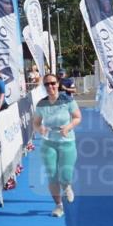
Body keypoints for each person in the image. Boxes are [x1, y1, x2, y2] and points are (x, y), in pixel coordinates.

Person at [33, 73, 82, 218]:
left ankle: (66, 186)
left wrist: (68, 127)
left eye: (53, 83)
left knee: (65, 175)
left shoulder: (67, 100)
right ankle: (58, 206)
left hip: (67, 143)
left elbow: (78, 117)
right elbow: (36, 122)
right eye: (47, 84)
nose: (50, 86)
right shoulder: (41, 104)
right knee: (52, 175)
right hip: (49, 143)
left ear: (58, 83)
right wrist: (40, 128)